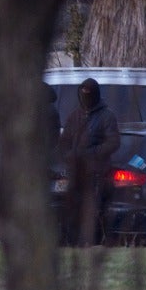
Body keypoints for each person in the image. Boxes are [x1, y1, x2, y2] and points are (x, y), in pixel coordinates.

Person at [59, 77, 120, 246]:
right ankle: (73, 240)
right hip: (75, 170)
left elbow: (113, 142)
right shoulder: (75, 115)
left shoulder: (107, 116)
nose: (85, 96)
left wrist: (90, 153)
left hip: (96, 171)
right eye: (83, 93)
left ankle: (90, 240)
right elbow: (64, 141)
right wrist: (69, 154)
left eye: (89, 93)